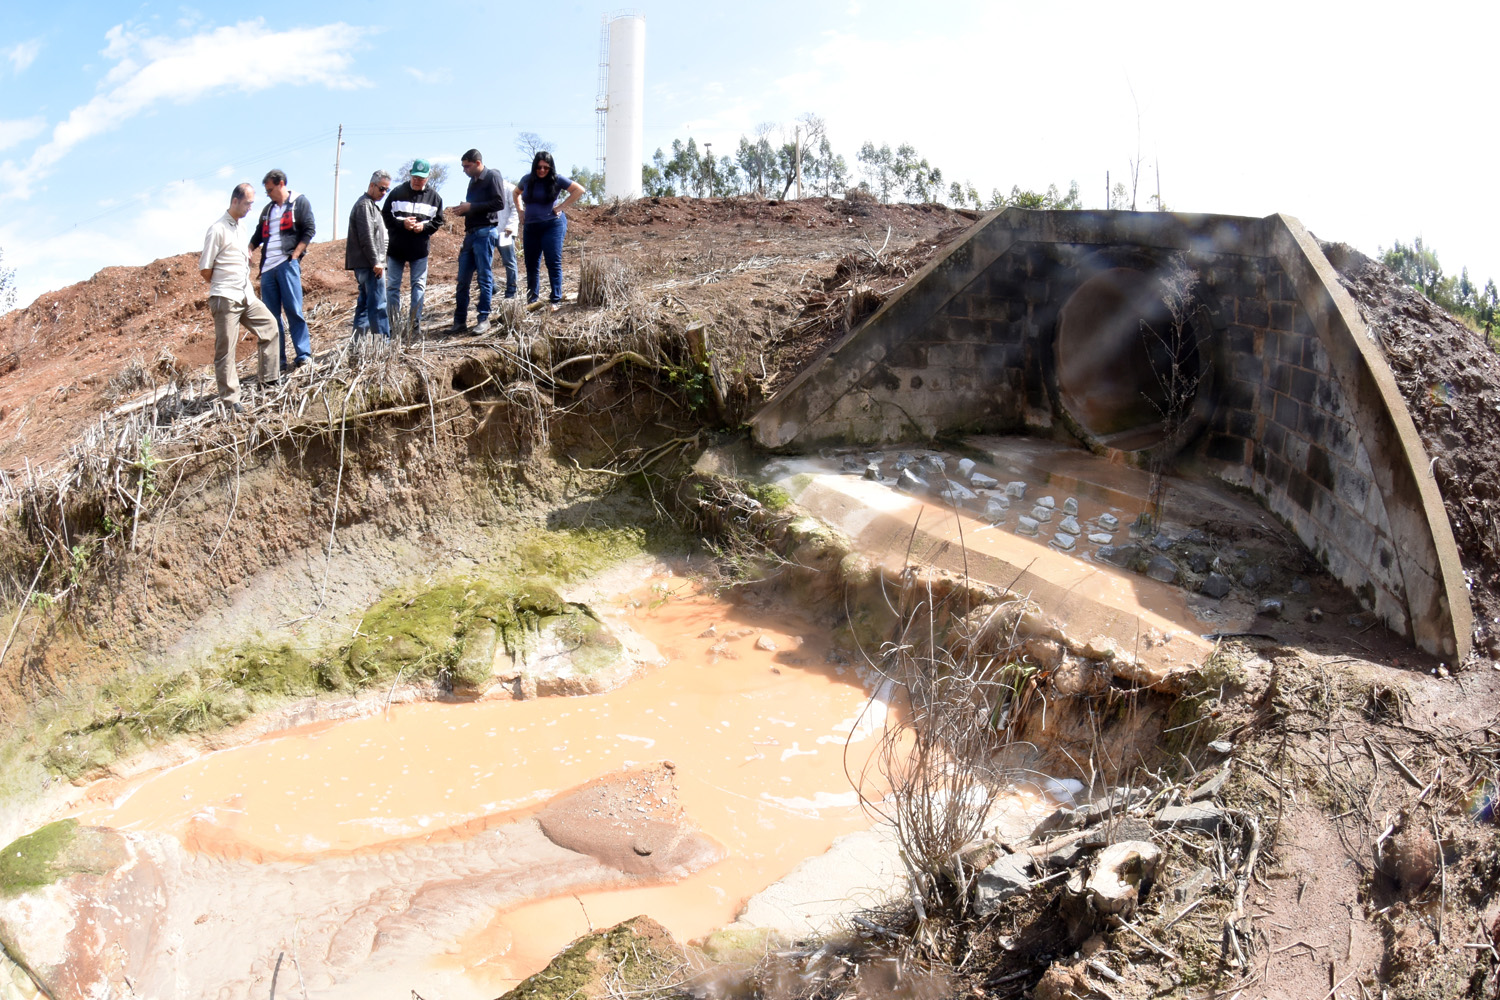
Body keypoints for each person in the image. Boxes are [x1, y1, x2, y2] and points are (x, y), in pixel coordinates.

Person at [198, 183, 279, 413]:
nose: (250, 208)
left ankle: (269, 381)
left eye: (252, 203)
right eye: (247, 203)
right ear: (235, 201)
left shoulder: (241, 228)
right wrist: (224, 284)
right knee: (226, 349)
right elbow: (205, 269)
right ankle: (231, 400)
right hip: (225, 297)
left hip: (246, 295)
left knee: (270, 326)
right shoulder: (217, 229)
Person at [248, 169, 316, 370]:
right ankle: (278, 361)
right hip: (268, 270)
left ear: (281, 184)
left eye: (270, 189)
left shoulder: (299, 202)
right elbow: (258, 235)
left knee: (294, 310)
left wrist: (295, 255)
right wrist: (250, 248)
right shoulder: (267, 210)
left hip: (287, 265)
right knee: (271, 317)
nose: (268, 194)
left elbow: (309, 229)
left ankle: (303, 354)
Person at [448, 148, 512, 334]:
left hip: (486, 232)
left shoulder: (493, 176)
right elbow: (475, 207)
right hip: (471, 234)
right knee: (462, 281)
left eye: (467, 166)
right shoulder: (472, 182)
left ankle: (484, 319)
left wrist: (471, 206)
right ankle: (459, 322)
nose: (464, 170)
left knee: (484, 277)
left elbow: (499, 203)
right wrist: (465, 209)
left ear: (477, 163)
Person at [513, 151, 586, 311]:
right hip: (530, 227)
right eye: (539, 167)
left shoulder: (557, 179)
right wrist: (520, 211)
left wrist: (561, 207)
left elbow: (579, 190)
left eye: (546, 167)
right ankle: (532, 301)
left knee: (553, 261)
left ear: (550, 167)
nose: (542, 170)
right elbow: (515, 193)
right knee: (531, 264)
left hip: (552, 225)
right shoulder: (527, 180)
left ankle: (555, 300)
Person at [382, 158, 444, 335]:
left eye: (422, 178)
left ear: (427, 178)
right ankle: (393, 325)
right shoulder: (396, 193)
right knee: (393, 286)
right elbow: (386, 216)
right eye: (415, 177)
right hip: (396, 249)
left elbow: (438, 221)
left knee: (419, 286)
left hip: (419, 250)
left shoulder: (434, 198)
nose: (417, 181)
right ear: (410, 174)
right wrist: (402, 225)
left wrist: (423, 227)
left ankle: (414, 326)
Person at [346, 169, 391, 339]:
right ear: (372, 185)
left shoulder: (369, 205)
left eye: (387, 190)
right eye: (381, 188)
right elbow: (366, 237)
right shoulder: (364, 206)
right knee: (378, 305)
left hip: (366, 265)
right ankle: (383, 344)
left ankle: (358, 346)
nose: (384, 193)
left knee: (364, 306)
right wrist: (376, 262)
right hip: (370, 265)